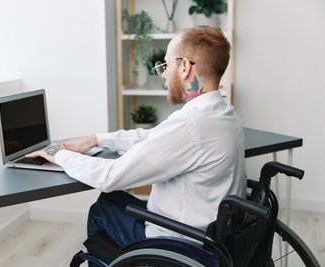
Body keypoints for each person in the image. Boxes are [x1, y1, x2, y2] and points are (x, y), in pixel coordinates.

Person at [27, 26, 246, 257]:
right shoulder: (224, 114)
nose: (162, 74)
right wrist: (96, 139)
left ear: (184, 67)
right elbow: (153, 138)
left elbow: (109, 177)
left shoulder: (190, 124)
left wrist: (57, 154)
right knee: (112, 200)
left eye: (165, 64)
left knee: (102, 210)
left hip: (180, 245)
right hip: (209, 237)